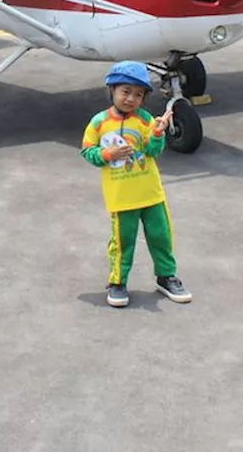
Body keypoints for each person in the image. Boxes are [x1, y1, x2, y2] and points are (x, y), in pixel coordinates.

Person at [81, 60, 192, 308]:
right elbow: (88, 152)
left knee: (161, 236)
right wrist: (108, 155)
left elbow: (153, 151)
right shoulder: (99, 122)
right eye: (125, 92)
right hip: (122, 198)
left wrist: (157, 133)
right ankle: (118, 282)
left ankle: (166, 276)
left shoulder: (144, 120)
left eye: (138, 94)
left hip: (151, 194)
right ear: (112, 90)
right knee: (122, 241)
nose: (131, 99)